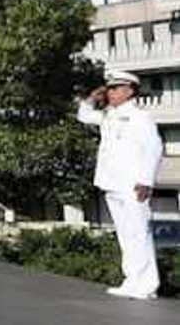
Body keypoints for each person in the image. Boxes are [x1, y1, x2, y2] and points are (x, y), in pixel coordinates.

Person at [77, 70, 163, 300]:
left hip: (133, 184)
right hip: (112, 183)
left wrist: (146, 180)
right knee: (125, 235)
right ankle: (132, 280)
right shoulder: (109, 115)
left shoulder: (139, 117)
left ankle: (147, 284)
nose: (111, 92)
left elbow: (154, 148)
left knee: (139, 233)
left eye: (116, 88)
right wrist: (91, 98)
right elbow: (83, 116)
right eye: (110, 88)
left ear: (130, 91)